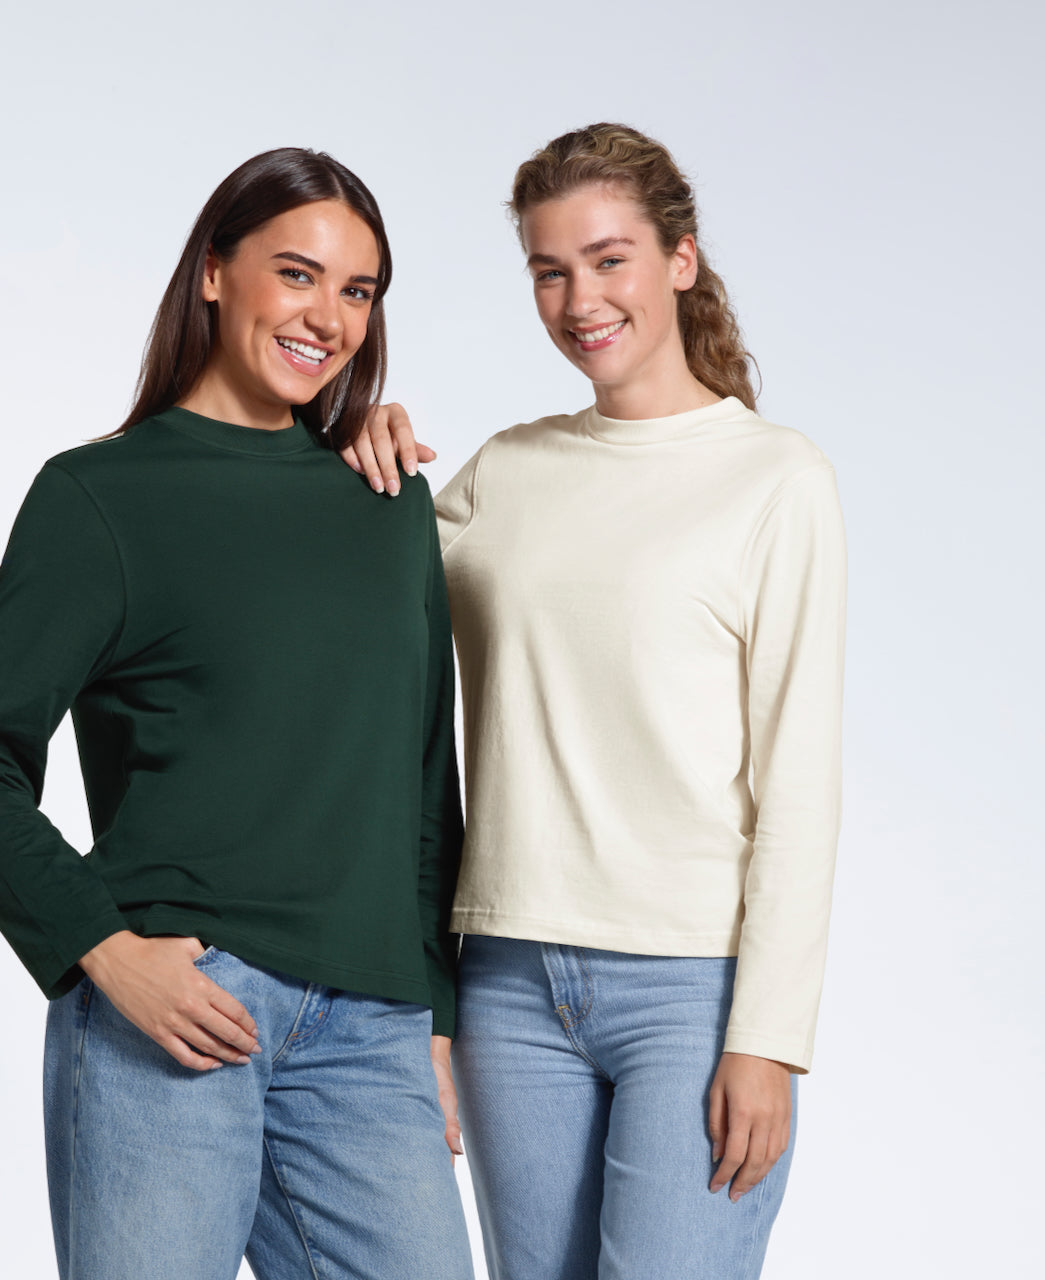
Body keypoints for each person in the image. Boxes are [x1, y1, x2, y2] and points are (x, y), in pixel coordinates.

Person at [0, 147, 473, 1280]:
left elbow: (426, 781)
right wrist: (102, 953)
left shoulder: (385, 506)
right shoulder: (100, 497)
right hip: (172, 1009)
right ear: (216, 271)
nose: (327, 316)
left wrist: (435, 1012)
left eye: (357, 292)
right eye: (297, 273)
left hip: (370, 1029)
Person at [345, 122, 847, 1279]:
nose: (578, 298)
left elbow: (800, 783)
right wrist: (353, 443)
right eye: (548, 268)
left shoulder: (776, 479)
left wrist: (766, 1040)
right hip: (508, 979)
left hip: (689, 987)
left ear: (678, 258)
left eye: (608, 258)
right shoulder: (506, 471)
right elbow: (361, 595)